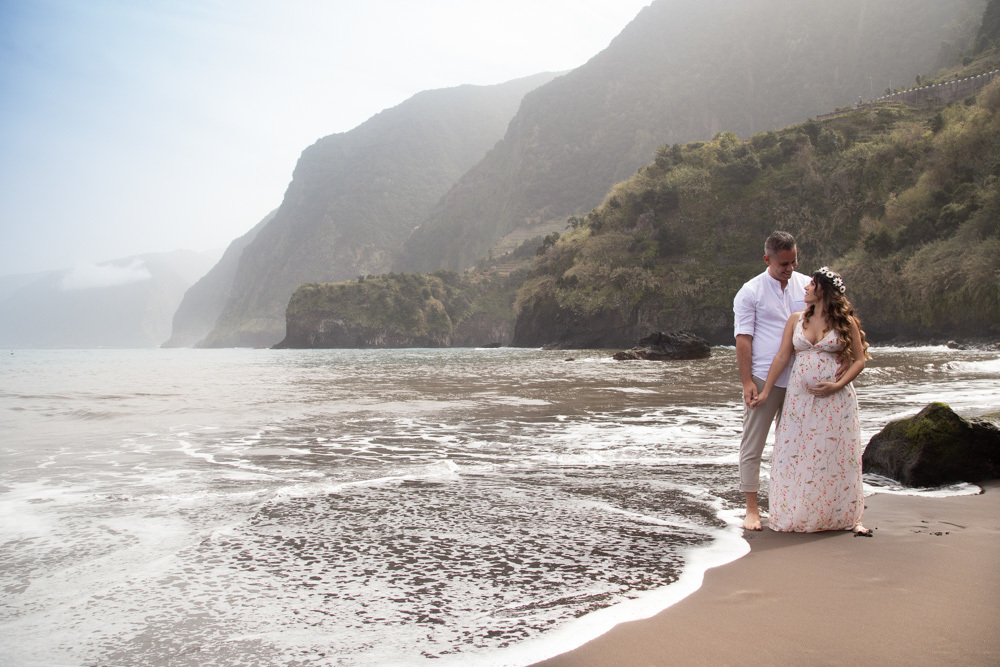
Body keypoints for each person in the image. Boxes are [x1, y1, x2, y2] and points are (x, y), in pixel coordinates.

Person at [751, 266, 872, 534]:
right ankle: (798, 512)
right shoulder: (796, 319)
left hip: (836, 400)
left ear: (823, 291)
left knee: (833, 455)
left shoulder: (845, 322)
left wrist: (838, 384)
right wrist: (767, 391)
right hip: (799, 400)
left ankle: (836, 515)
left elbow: (860, 360)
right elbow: (783, 357)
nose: (805, 288)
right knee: (796, 454)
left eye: (811, 284)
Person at [733, 231, 810, 531]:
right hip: (763, 377)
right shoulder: (750, 291)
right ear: (767, 259)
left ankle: (789, 503)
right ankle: (752, 509)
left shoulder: (807, 286)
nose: (789, 268)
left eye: (793, 262)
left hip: (801, 379)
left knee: (796, 445)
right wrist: (746, 383)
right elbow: (743, 340)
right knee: (753, 445)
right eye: (783, 264)